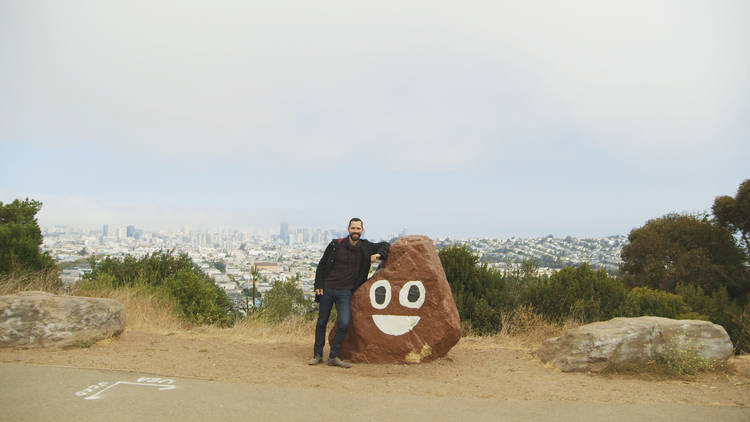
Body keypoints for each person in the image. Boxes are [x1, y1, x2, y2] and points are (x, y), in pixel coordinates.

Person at [308, 217, 390, 368]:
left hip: (345, 292)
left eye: (358, 229)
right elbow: (322, 265)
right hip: (327, 289)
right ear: (348, 229)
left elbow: (385, 245)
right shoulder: (335, 245)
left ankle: (334, 356)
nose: (356, 231)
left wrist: (377, 255)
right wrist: (318, 284)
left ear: (362, 231)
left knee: (344, 323)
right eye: (353, 228)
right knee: (321, 322)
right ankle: (317, 354)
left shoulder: (366, 247)